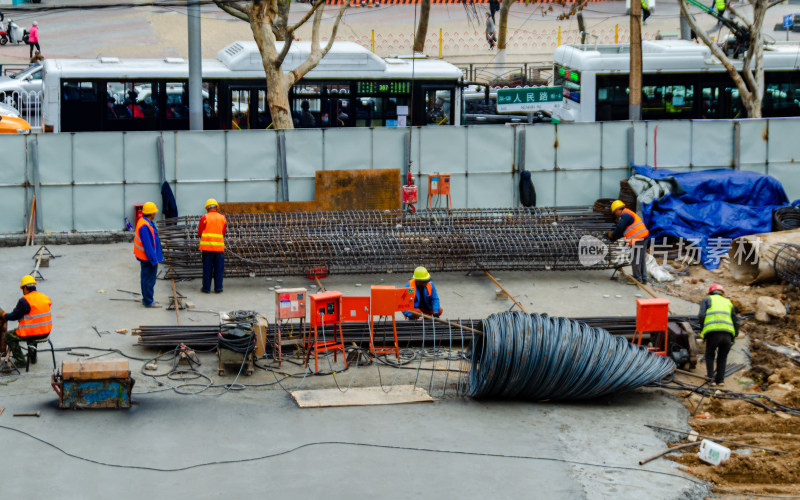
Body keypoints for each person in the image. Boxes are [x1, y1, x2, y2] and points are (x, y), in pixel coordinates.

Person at [1, 275, 52, 366]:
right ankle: (33, 357)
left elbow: (14, 316)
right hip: (45, 332)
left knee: (9, 336)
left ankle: (21, 361)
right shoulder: (44, 297)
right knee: (32, 328)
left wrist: (5, 315)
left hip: (33, 333)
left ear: (25, 288)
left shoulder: (24, 301)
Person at [699, 284, 739, 386]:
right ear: (722, 293)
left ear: (709, 293)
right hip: (728, 334)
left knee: (710, 355)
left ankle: (710, 379)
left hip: (713, 333)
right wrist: (735, 335)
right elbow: (736, 321)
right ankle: (720, 380)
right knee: (722, 357)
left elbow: (701, 315)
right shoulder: (728, 302)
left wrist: (703, 329)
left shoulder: (707, 300)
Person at [607, 200, 650, 283]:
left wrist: (612, 235)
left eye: (615, 212)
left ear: (617, 210)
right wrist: (615, 236)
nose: (615, 214)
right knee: (641, 258)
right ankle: (644, 278)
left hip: (638, 239)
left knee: (635, 259)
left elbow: (620, 228)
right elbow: (623, 230)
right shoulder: (628, 213)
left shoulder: (625, 215)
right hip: (643, 237)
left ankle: (637, 278)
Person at [134, 202, 163, 308]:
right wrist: (154, 260)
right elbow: (148, 247)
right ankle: (148, 301)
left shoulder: (146, 222)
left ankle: (147, 299)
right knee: (149, 280)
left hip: (146, 258)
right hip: (148, 258)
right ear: (152, 213)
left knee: (146, 279)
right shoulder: (145, 226)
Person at [197, 198, 226, 294]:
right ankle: (218, 288)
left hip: (207, 248)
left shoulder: (204, 218)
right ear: (216, 208)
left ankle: (206, 288)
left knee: (207, 268)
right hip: (219, 248)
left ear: (207, 208)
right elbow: (223, 232)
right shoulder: (222, 218)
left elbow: (200, 232)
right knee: (219, 268)